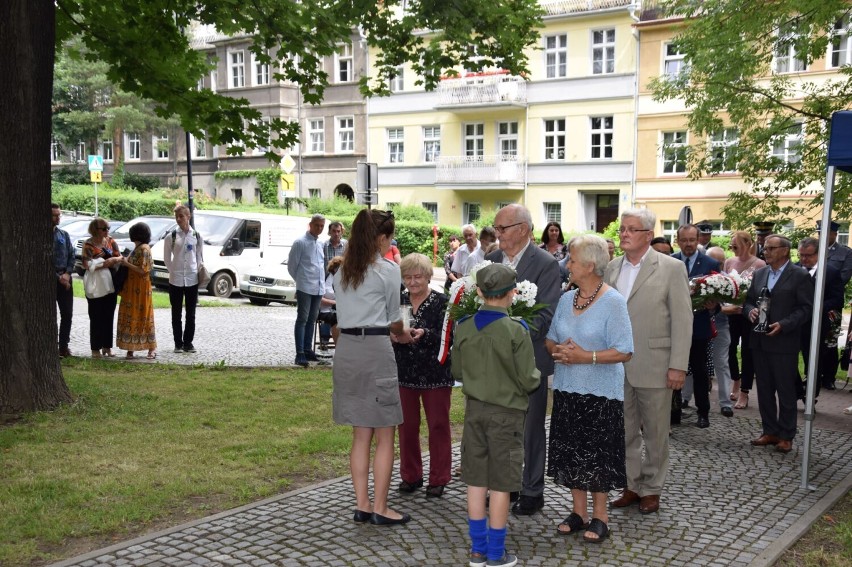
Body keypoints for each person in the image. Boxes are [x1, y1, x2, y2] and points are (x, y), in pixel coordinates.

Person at [332, 208, 417, 527]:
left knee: (360, 435)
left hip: (347, 352)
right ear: (381, 238)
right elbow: (396, 320)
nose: (390, 242)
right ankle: (381, 506)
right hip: (375, 350)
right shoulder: (388, 269)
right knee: (384, 434)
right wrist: (405, 333)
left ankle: (362, 504)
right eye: (389, 237)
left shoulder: (342, 271)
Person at [604, 208, 692, 515]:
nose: (624, 234)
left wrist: (678, 365)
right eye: (622, 229)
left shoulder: (670, 268)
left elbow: (683, 319)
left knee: (655, 431)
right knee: (624, 430)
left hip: (656, 362)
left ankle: (652, 489)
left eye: (630, 229)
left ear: (646, 235)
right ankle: (631, 484)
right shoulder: (612, 267)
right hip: (616, 364)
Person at [546, 235, 633, 544]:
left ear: (590, 265)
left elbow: (625, 350)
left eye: (571, 260)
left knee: (597, 455)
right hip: (568, 389)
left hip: (601, 393)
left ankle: (600, 517)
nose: (567, 265)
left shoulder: (613, 301)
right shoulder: (566, 298)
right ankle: (578, 512)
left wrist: (585, 356)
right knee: (572, 452)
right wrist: (559, 351)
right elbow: (551, 337)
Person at [452, 263, 540, 567]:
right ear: (512, 294)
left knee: (475, 479)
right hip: (507, 414)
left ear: (478, 292)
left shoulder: (463, 326)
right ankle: (495, 553)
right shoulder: (516, 330)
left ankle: (477, 549)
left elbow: (456, 371)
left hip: (474, 412)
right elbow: (529, 379)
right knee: (502, 483)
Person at [485, 204, 561, 516]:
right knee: (500, 427)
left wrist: (508, 336)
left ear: (523, 229)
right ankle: (506, 484)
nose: (497, 234)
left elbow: (545, 312)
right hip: (494, 362)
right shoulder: (491, 260)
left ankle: (533, 489)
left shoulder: (545, 263)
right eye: (496, 228)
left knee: (530, 428)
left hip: (529, 359)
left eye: (503, 228)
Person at [744, 235, 813, 454]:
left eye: (771, 248)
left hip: (783, 341)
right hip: (759, 340)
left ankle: (786, 435)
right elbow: (747, 302)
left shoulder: (799, 275)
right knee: (764, 389)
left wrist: (784, 324)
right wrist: (750, 311)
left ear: (785, 251)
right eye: (765, 248)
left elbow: (805, 308)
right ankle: (770, 431)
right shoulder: (760, 273)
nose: (766, 251)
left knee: (785, 390)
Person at [393, 253, 454, 499]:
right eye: (407, 277)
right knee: (406, 427)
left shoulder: (443, 302)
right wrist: (392, 334)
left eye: (418, 276)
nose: (413, 282)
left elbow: (449, 335)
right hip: (404, 371)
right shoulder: (397, 300)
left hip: (435, 373)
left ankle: (439, 478)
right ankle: (411, 475)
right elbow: (387, 325)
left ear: (429, 276)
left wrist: (424, 333)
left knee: (438, 425)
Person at [672, 224, 720, 429]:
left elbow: (718, 296)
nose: (688, 244)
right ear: (678, 240)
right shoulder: (669, 262)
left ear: (698, 239)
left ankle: (703, 412)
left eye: (692, 239)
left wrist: (712, 307)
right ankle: (673, 413)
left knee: (700, 372)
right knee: (672, 369)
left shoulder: (711, 263)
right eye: (684, 240)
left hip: (699, 328)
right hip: (672, 327)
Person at [796, 238, 844, 397]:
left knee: (813, 362)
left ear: (819, 254)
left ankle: (810, 397)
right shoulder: (793, 269)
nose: (804, 259)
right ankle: (797, 390)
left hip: (817, 324)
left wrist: (817, 307)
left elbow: (837, 300)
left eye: (808, 255)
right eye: (801, 255)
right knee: (787, 360)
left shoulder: (830, 272)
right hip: (794, 323)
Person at [724, 231, 766, 409]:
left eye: (736, 246)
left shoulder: (759, 264)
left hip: (749, 315)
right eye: (731, 246)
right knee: (729, 349)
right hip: (731, 313)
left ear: (748, 244)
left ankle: (745, 391)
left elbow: (762, 292)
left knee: (748, 353)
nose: (733, 249)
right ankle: (735, 380)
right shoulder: (729, 262)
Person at [164, 205, 204, 354]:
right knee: (176, 313)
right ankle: (178, 343)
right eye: (177, 217)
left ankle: (188, 342)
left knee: (191, 313)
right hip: (176, 279)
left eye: (181, 216)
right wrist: (173, 271)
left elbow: (199, 256)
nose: (179, 219)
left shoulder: (197, 236)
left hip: (192, 279)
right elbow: (167, 258)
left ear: (188, 216)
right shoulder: (172, 236)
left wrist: (195, 270)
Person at [288, 213, 326, 367]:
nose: (319, 228)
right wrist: (301, 282)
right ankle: (300, 353)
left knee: (312, 320)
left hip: (318, 287)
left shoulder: (320, 244)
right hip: (305, 286)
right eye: (317, 225)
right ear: (310, 225)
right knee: (302, 319)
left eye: (322, 226)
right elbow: (292, 267)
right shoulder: (300, 243)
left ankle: (308, 350)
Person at [81, 218, 122, 358]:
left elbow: (120, 257)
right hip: (96, 283)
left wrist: (113, 260)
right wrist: (104, 264)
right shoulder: (88, 245)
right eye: (104, 228)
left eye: (108, 228)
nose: (107, 231)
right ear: (95, 230)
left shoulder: (111, 241)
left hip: (111, 282)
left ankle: (107, 346)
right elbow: (86, 265)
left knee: (109, 315)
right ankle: (95, 348)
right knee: (96, 315)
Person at [116, 222, 157, 359]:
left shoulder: (144, 249)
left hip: (140, 288)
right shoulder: (137, 248)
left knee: (143, 315)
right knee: (131, 315)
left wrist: (126, 263)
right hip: (131, 288)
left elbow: (143, 270)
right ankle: (130, 347)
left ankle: (151, 348)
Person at [706, 246, 735, 417]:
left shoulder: (729, 281)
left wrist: (719, 309)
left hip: (721, 326)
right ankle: (686, 397)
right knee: (692, 363)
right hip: (700, 326)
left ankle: (725, 403)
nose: (718, 265)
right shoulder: (700, 279)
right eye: (715, 261)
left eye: (721, 262)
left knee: (722, 364)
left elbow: (737, 306)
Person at [52, 204, 75, 358]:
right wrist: (58, 277)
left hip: (65, 278)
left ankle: (64, 346)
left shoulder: (63, 234)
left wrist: (67, 273)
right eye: (54, 215)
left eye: (59, 214)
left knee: (67, 313)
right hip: (51, 280)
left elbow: (72, 255)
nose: (58, 217)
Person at [317, 256, 343, 350]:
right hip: (325, 310)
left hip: (341, 309)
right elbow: (320, 298)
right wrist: (334, 303)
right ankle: (334, 346)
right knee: (334, 318)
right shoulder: (326, 278)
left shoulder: (344, 279)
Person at [817, 220, 852, 285]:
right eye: (820, 234)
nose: (822, 236)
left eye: (826, 234)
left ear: (835, 235)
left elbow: (844, 277)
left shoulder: (846, 252)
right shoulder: (814, 250)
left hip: (833, 292)